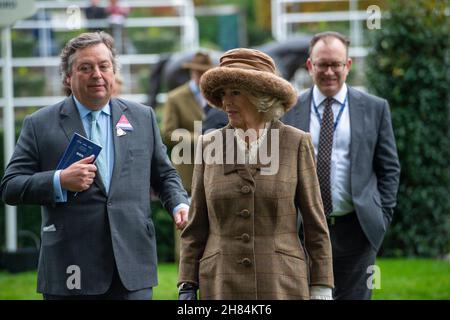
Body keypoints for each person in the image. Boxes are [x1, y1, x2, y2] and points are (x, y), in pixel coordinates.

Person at [0, 32, 189, 300]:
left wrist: (179, 204)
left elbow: (164, 174)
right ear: (68, 77)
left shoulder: (142, 117)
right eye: (85, 68)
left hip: (132, 266)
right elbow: (10, 186)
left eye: (103, 66)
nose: (97, 75)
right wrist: (59, 180)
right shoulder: (40, 124)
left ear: (113, 71)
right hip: (71, 268)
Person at [177, 48, 334, 300]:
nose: (226, 101)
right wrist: (187, 284)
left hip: (282, 284)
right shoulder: (210, 145)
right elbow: (196, 226)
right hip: (221, 284)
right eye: (223, 93)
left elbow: (316, 225)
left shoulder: (295, 143)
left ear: (261, 96)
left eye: (236, 92)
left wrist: (321, 286)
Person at [283, 31, 400, 300]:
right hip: (302, 231)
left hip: (356, 230)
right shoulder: (289, 110)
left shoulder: (375, 108)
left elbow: (389, 168)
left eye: (336, 64)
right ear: (310, 66)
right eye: (322, 64)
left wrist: (381, 217)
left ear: (348, 65)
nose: (329, 71)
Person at [161, 51, 226, 195]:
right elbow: (167, 134)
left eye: (207, 72)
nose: (203, 76)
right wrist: (202, 138)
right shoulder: (175, 98)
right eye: (199, 72)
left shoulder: (221, 97)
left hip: (218, 176)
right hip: (189, 176)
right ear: (192, 72)